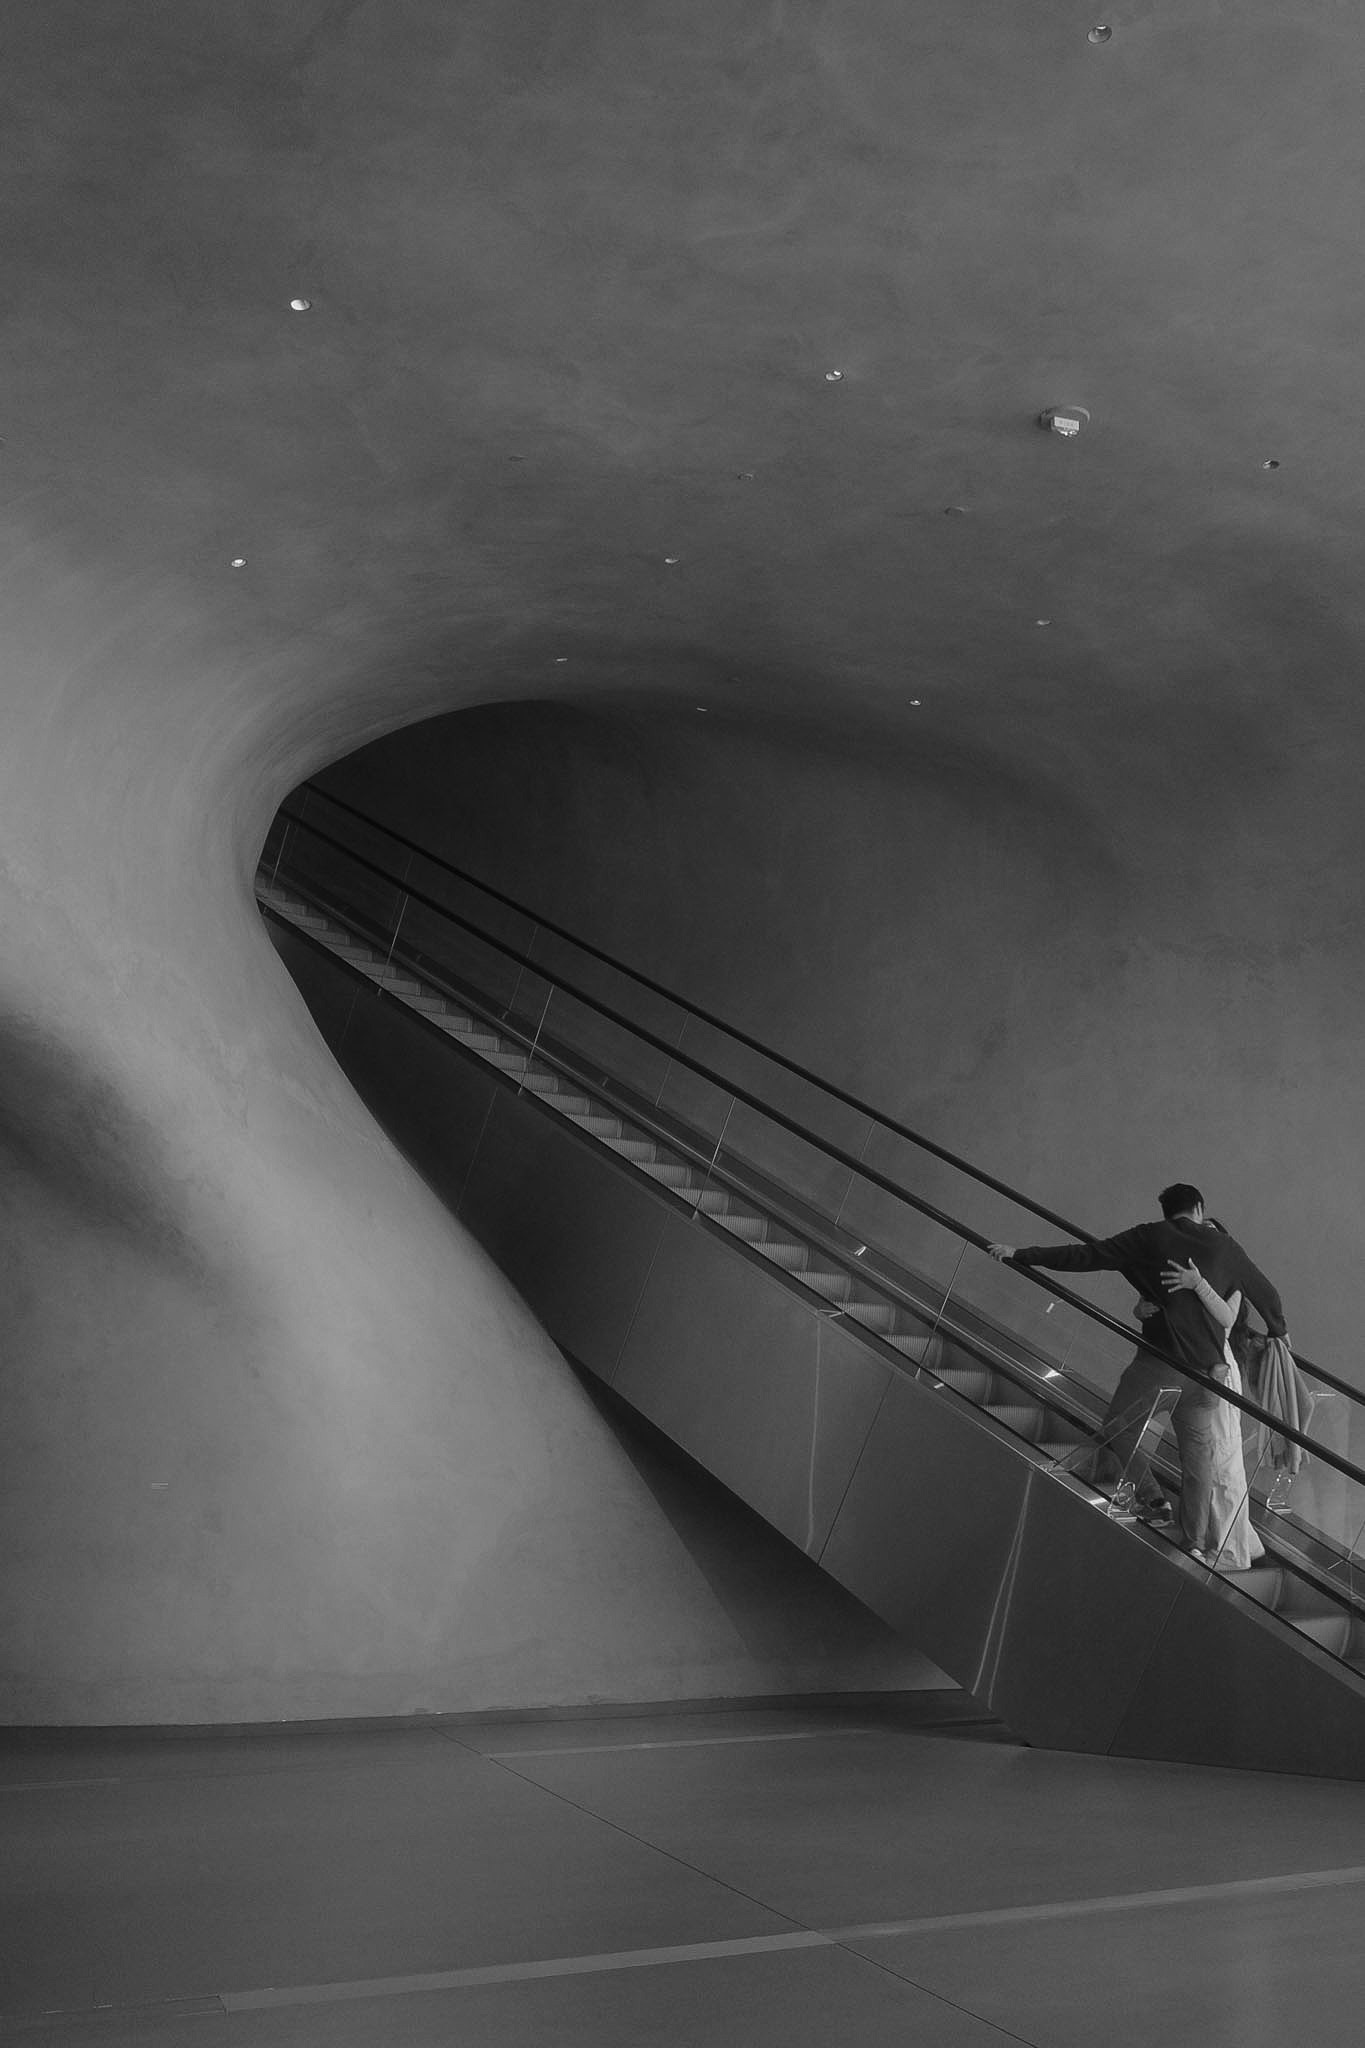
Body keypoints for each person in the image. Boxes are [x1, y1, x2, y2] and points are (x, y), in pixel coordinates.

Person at [988, 1184, 1290, 1561]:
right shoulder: (1224, 1247)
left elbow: (1087, 1255)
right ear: (1199, 1207)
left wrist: (1022, 1255)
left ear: (1166, 1212)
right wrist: (1279, 1331)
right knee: (1198, 1460)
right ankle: (1194, 1543)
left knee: (1119, 1424)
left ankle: (1152, 1498)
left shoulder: (1150, 1236)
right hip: (1209, 1376)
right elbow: (1265, 1292)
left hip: (1161, 1365)